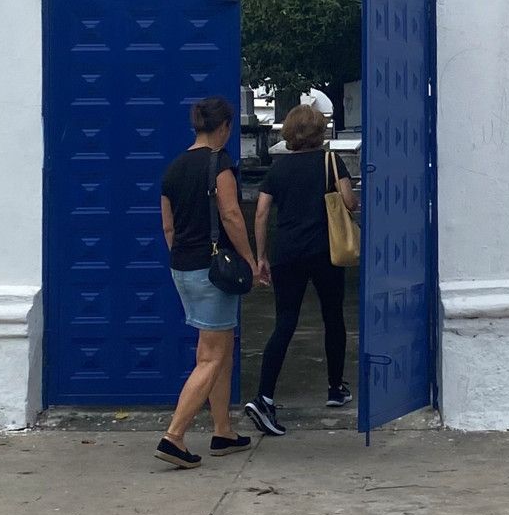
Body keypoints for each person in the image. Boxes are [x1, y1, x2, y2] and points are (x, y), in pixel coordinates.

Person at [154, 95, 261, 467]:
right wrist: (250, 259)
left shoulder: (174, 167)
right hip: (212, 270)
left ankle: (223, 431)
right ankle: (174, 436)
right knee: (211, 356)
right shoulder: (220, 164)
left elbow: (168, 226)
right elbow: (231, 214)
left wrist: (180, 255)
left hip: (182, 267)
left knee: (221, 348)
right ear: (225, 127)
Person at [243, 104, 359, 434]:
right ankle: (335, 388)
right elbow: (350, 202)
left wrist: (261, 255)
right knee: (333, 316)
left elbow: (262, 213)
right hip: (326, 251)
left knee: (285, 322)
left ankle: (264, 395)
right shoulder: (330, 161)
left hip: (287, 254)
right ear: (319, 131)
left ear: (290, 133)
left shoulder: (278, 170)